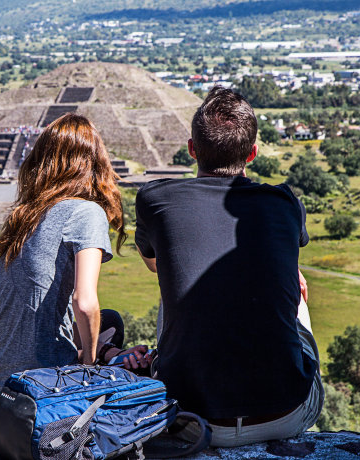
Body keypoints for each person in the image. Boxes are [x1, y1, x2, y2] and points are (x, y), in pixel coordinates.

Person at [135, 87, 324, 447]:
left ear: (193, 149)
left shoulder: (156, 200)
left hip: (190, 417)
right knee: (295, 283)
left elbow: (154, 264)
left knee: (177, 280)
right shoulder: (285, 204)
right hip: (284, 414)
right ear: (252, 153)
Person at [0, 113, 148, 397]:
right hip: (44, 393)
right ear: (95, 163)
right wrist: (90, 366)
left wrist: (107, 353)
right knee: (147, 374)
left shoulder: (22, 217)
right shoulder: (86, 212)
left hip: (1, 390)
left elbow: (42, 316)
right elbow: (84, 303)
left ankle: (109, 353)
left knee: (108, 322)